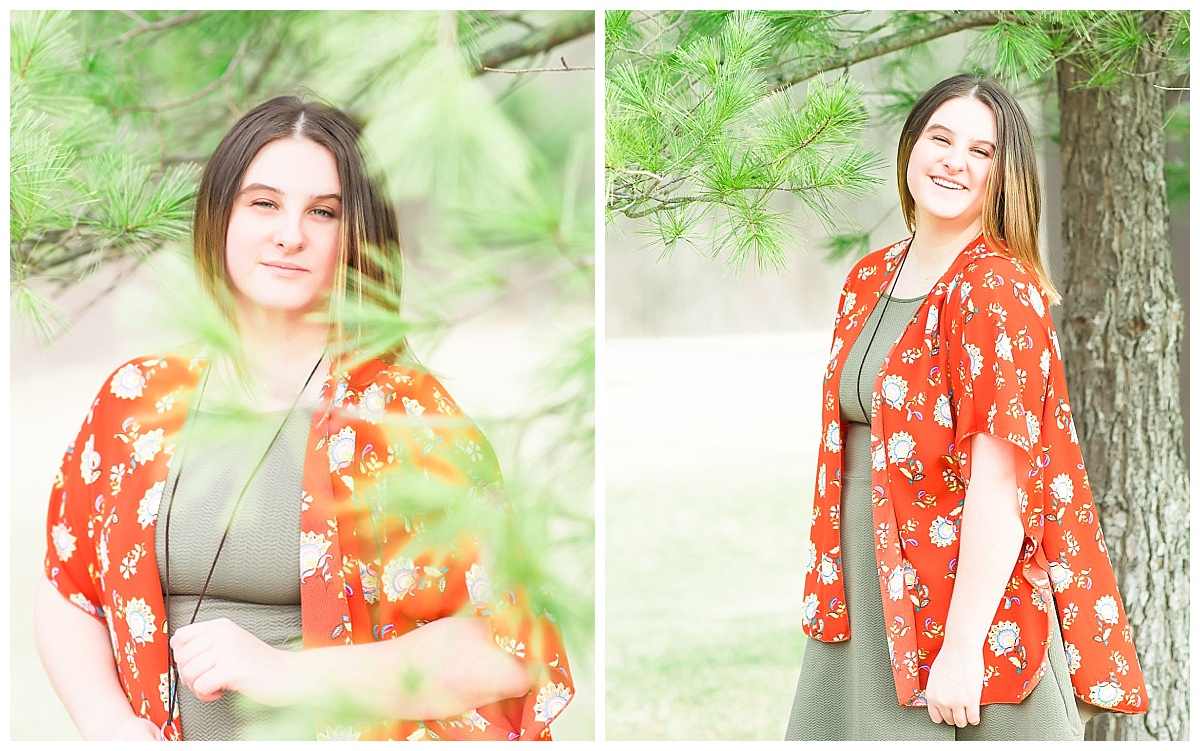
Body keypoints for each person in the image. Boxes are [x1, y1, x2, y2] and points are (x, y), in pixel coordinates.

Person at [35, 96, 573, 741]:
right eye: (263, 203)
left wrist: (286, 673)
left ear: (356, 240)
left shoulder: (404, 416)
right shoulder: (137, 399)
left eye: (323, 212)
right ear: (220, 216)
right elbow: (71, 590)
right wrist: (108, 724)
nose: (290, 233)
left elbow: (504, 646)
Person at [784, 74, 1146, 741]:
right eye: (941, 138)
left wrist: (961, 648)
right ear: (910, 148)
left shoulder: (995, 288)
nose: (955, 160)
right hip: (870, 581)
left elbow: (1002, 484)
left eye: (982, 152)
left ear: (1003, 177)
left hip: (965, 599)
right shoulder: (870, 277)